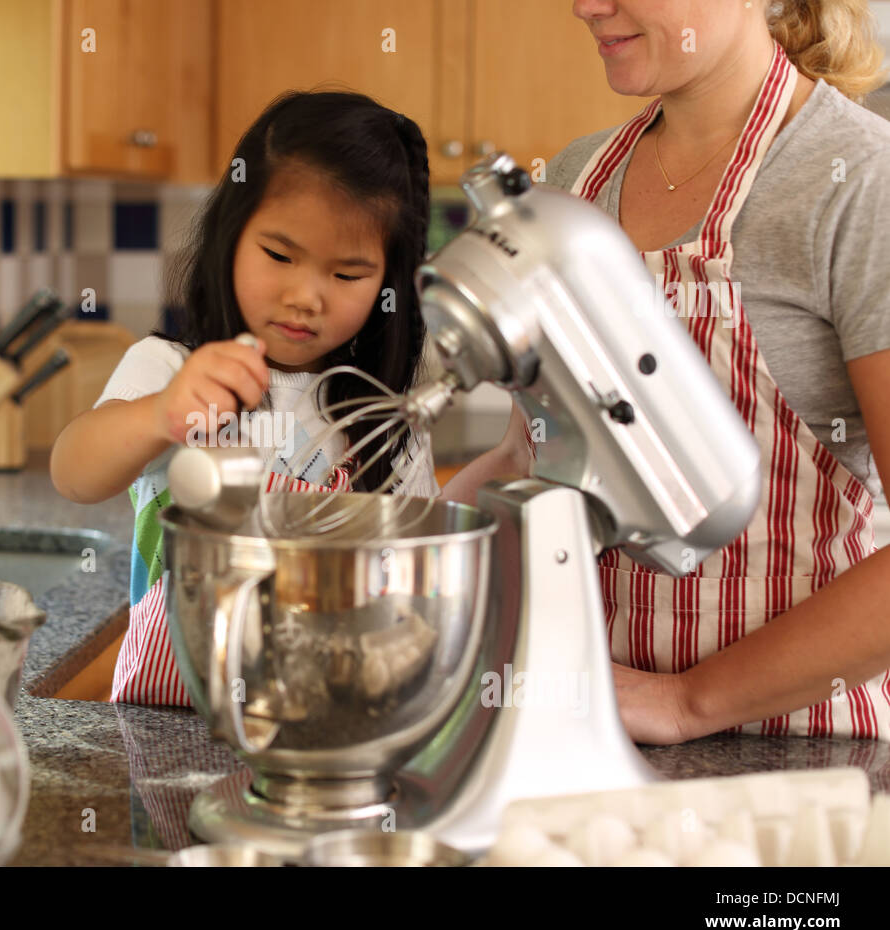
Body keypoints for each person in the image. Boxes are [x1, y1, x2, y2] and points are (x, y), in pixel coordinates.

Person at [443, 0, 890, 743]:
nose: (587, 6)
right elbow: (532, 454)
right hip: (588, 735)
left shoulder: (860, 183)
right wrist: (393, 553)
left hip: (795, 766)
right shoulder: (575, 181)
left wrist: (686, 701)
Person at [51, 90, 441, 706]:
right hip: (172, 721)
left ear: (388, 285)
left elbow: (422, 579)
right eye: (280, 255)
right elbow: (73, 473)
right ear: (232, 236)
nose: (306, 296)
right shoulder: (171, 370)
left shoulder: (383, 422)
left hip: (327, 722)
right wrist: (160, 414)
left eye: (346, 275)